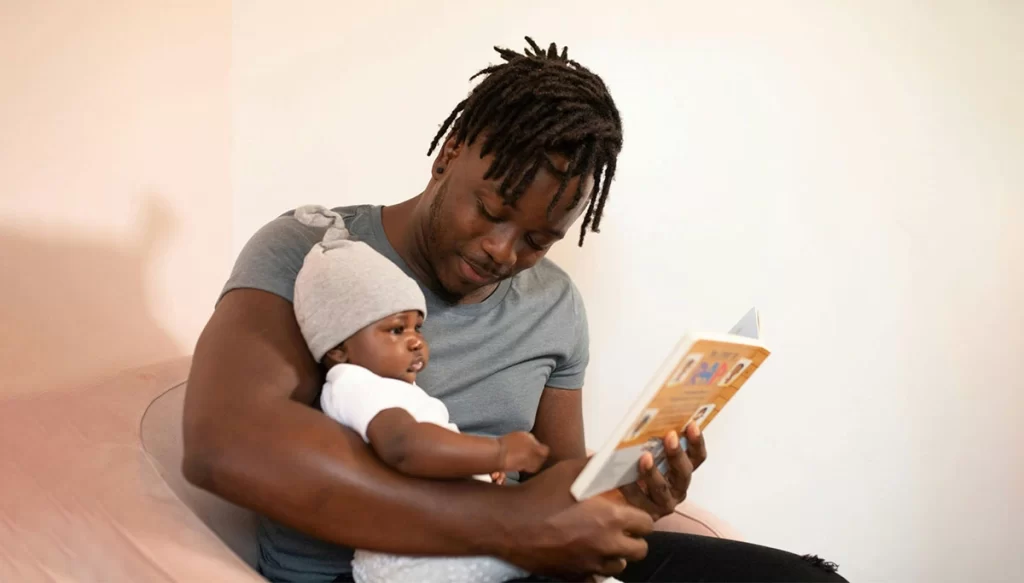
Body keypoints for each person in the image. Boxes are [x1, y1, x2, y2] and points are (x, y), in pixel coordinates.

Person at [182, 37, 846, 582]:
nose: (502, 250)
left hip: (512, 563)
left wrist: (633, 488)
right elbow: (224, 441)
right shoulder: (315, 250)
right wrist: (513, 523)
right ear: (449, 154)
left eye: (537, 238)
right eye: (493, 210)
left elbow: (558, 473)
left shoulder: (555, 304)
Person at [291, 204, 547, 582]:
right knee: (560, 550)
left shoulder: (393, 390)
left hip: (427, 546)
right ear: (337, 348)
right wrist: (498, 451)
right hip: (410, 559)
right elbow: (404, 446)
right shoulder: (354, 384)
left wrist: (477, 466)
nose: (415, 342)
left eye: (418, 328)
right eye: (396, 330)